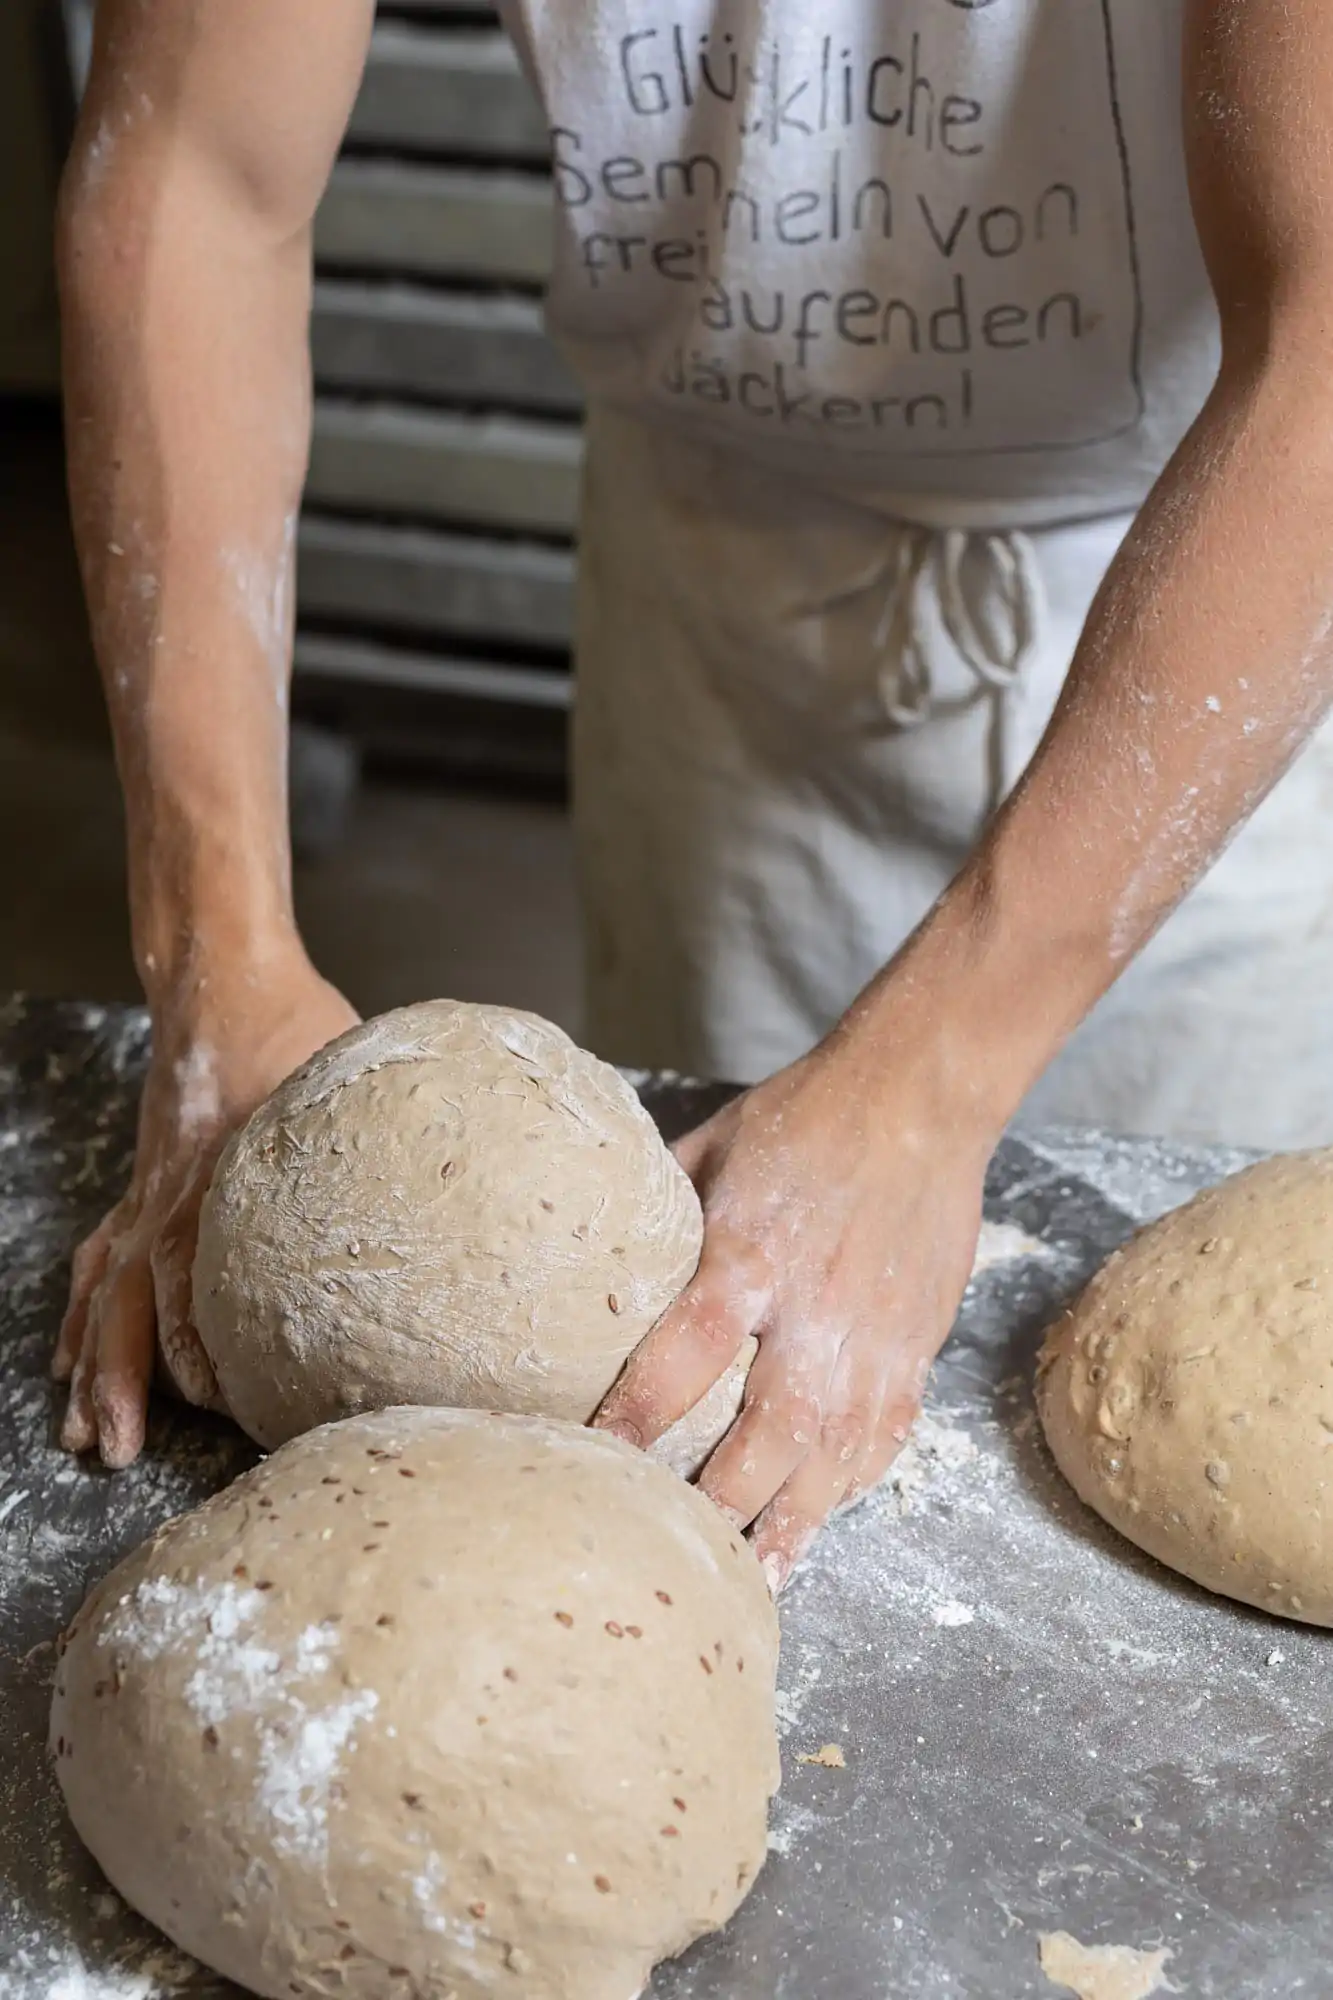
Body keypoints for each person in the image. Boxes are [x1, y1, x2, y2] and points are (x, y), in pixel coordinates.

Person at [50, 0, 1333, 1592]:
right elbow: (196, 187)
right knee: (695, 1375)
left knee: (1216, 1439)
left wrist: (928, 1089)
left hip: (1218, 626)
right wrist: (213, 949)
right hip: (723, 577)